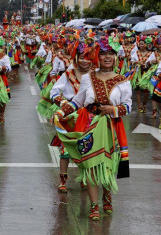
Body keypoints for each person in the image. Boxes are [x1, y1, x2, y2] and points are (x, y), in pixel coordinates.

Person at [54, 36, 131, 221]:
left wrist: (113, 109)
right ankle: (94, 205)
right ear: (97, 56)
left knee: (108, 166)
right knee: (90, 165)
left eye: (111, 54)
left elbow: (128, 106)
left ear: (115, 57)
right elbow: (78, 101)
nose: (107, 57)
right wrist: (60, 113)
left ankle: (107, 195)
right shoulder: (89, 78)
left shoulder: (123, 81)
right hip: (89, 124)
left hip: (111, 126)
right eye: (103, 54)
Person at [50, 42, 92, 192]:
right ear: (76, 58)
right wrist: (64, 104)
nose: (85, 61)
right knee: (65, 151)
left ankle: (85, 178)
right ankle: (63, 180)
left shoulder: (96, 75)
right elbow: (54, 92)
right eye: (82, 58)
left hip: (88, 117)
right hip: (69, 115)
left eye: (88, 58)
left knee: (87, 148)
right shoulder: (68, 74)